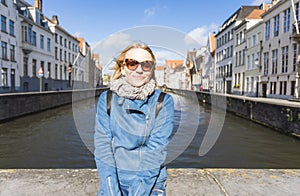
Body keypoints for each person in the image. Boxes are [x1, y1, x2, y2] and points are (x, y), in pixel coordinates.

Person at [94, 42, 174, 196]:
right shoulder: (107, 98)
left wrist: (138, 192)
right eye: (132, 63)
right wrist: (111, 190)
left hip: (149, 184)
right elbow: (102, 145)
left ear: (151, 70)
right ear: (123, 68)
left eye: (146, 65)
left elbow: (155, 150)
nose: (139, 69)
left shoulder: (163, 101)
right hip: (115, 180)